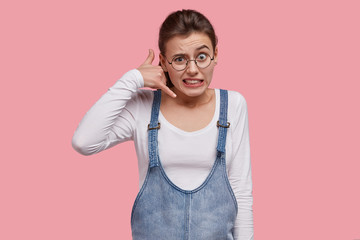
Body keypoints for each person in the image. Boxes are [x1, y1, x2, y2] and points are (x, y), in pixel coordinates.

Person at [72, 9, 253, 240]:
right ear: (163, 63)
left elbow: (241, 191)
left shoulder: (233, 105)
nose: (193, 69)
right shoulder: (143, 108)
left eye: (202, 56)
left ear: (215, 55)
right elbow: (83, 142)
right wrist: (134, 78)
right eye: (179, 59)